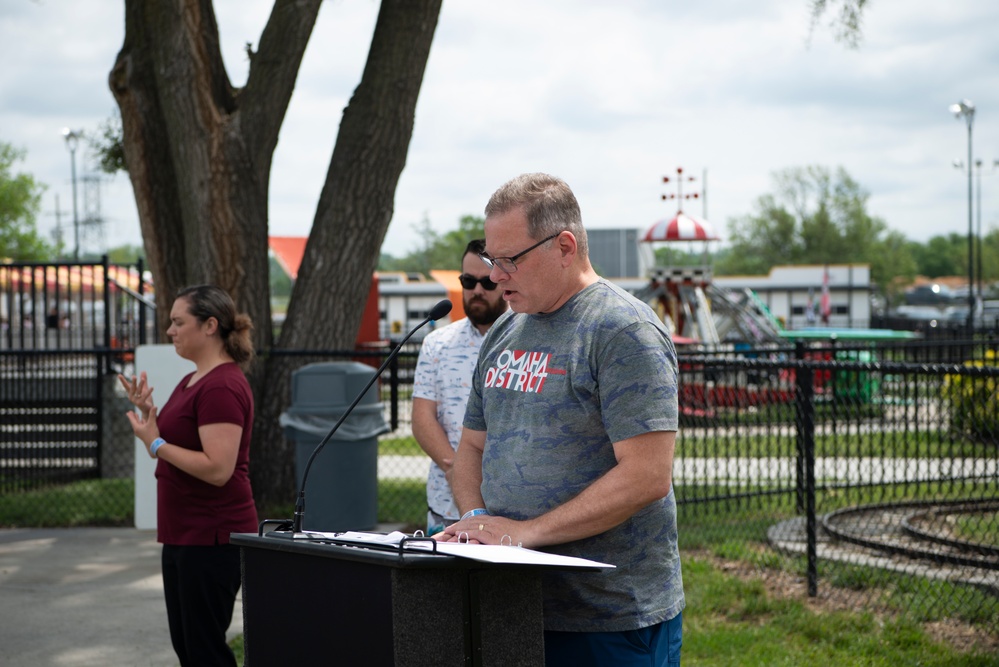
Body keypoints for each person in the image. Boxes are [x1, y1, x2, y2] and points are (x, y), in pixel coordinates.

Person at [437, 173, 684, 667]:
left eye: (510, 260)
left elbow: (646, 476)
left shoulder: (622, 330)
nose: (496, 275)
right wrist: (475, 524)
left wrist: (525, 534)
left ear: (565, 246)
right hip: (514, 605)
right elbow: (471, 448)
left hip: (610, 616)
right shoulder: (505, 330)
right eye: (491, 259)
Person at [118, 284, 258, 667]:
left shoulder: (222, 386)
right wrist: (150, 412)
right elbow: (183, 439)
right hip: (183, 534)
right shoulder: (193, 379)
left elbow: (217, 468)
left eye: (179, 322)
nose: (170, 330)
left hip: (211, 537)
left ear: (210, 325)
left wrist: (155, 443)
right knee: (190, 649)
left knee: (204, 652)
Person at [412, 239, 509, 535]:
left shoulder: (526, 338)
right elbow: (422, 417)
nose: (477, 290)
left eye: (486, 282)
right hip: (445, 509)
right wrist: (458, 471)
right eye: (468, 281)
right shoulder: (437, 343)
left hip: (509, 512)